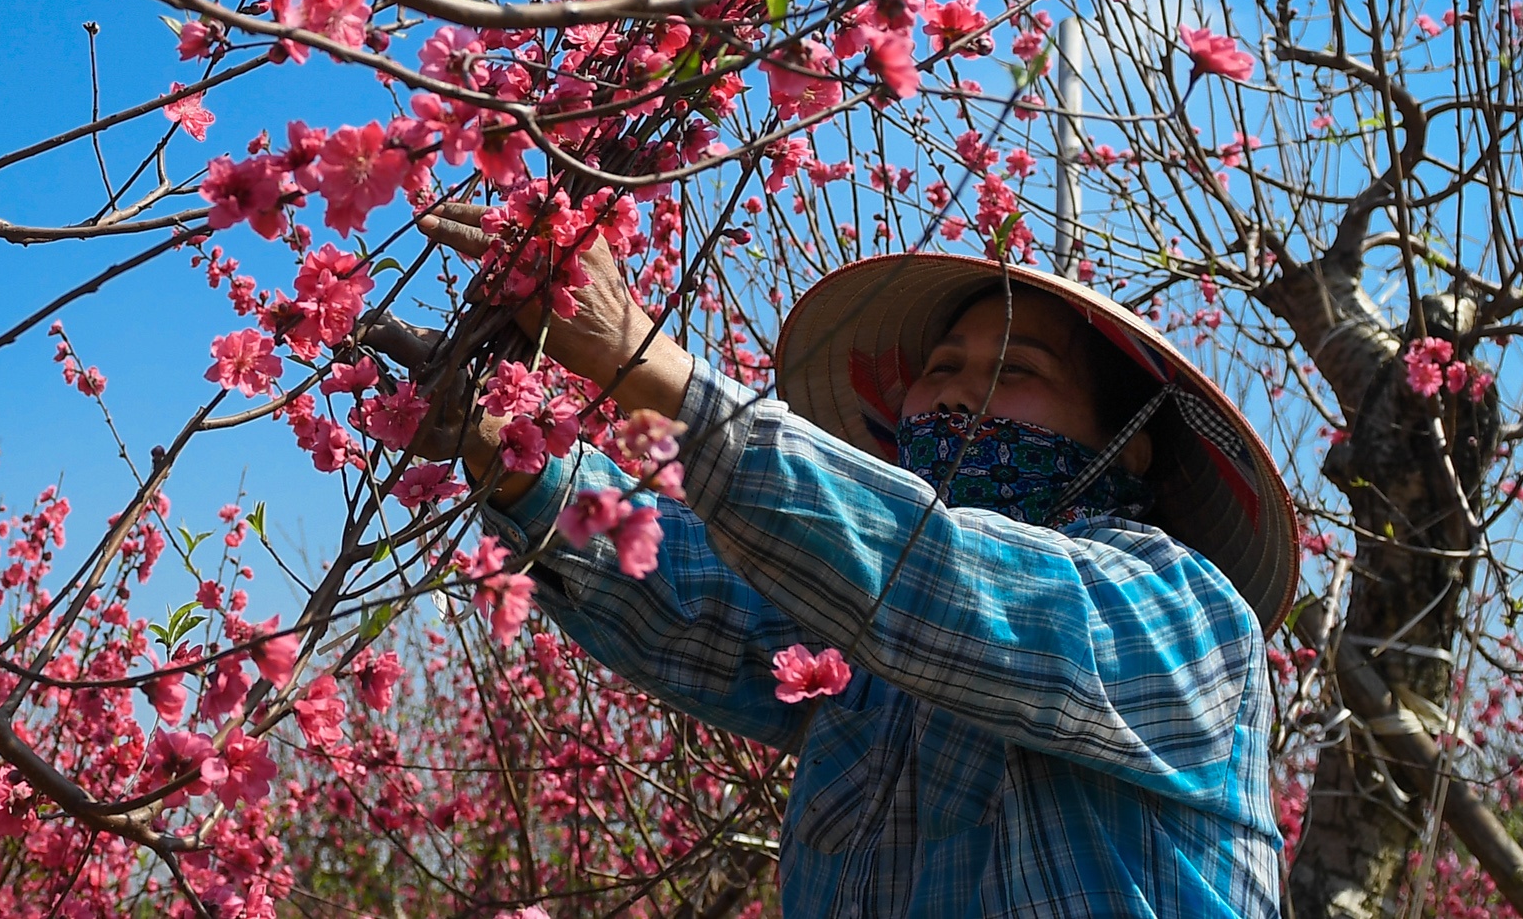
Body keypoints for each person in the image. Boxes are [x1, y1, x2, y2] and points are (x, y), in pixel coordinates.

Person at [370, 203, 1298, 919]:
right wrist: (511, 450)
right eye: (942, 366)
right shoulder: (869, 665)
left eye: (1016, 372)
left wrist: (648, 364)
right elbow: (696, 595)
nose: (959, 396)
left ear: (1129, 446)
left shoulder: (1185, 614)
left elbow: (950, 582)